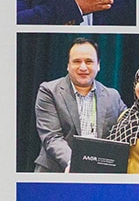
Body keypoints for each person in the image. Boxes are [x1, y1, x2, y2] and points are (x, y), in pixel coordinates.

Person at [31, 40, 125, 172]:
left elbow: (128, 128)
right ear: (68, 65)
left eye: (89, 61)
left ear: (98, 65)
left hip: (99, 175)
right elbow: (52, 137)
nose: (83, 67)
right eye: (76, 61)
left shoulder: (113, 96)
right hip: (56, 172)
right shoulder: (49, 91)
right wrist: (74, 164)